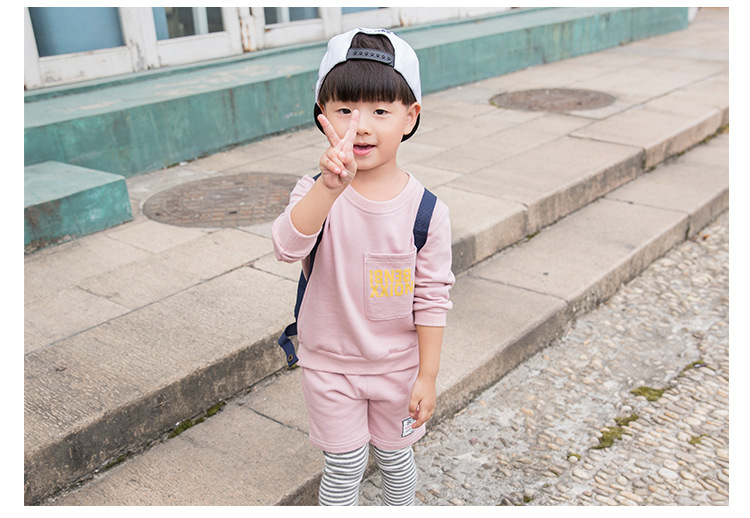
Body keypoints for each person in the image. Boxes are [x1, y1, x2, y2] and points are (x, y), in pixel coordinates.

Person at [272, 27, 455, 506]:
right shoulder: (314, 191)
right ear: (322, 115)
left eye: (380, 111)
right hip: (330, 367)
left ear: (410, 116)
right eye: (345, 110)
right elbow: (286, 246)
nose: (362, 126)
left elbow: (432, 297)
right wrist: (328, 189)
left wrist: (428, 375)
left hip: (398, 369)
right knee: (344, 465)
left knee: (396, 460)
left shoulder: (427, 211)